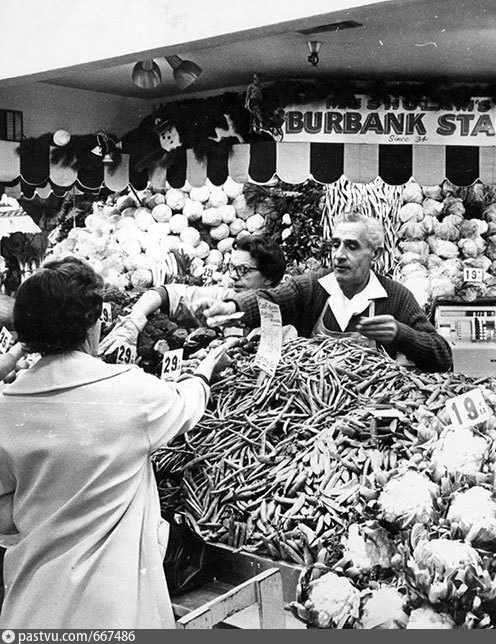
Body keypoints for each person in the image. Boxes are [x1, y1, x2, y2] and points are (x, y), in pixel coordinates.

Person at [0, 257, 229, 628]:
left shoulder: (6, 406)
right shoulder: (128, 390)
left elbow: (4, 516)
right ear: (91, 325)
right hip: (116, 608)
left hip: (33, 605)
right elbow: (186, 405)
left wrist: (51, 494)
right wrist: (204, 372)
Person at [201, 212, 453, 373]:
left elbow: (442, 355)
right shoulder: (313, 287)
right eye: (335, 244)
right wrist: (234, 306)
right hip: (314, 409)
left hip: (371, 415)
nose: (339, 255)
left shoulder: (395, 296)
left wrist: (402, 334)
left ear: (374, 254)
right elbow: (271, 299)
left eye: (351, 246)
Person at [98, 234, 286, 358]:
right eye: (231, 268)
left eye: (243, 270)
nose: (233, 276)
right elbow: (164, 293)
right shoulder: (224, 296)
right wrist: (133, 321)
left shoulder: (289, 308)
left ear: (269, 277)